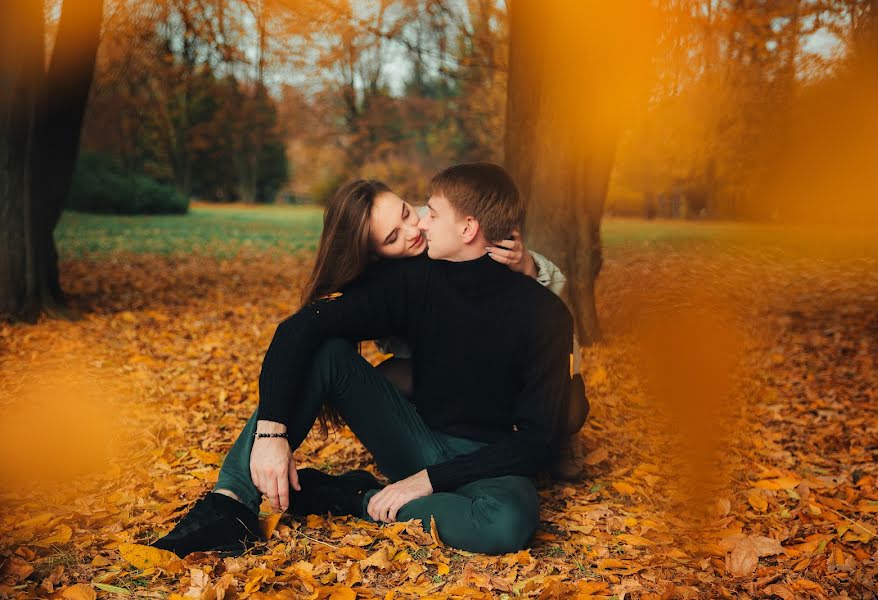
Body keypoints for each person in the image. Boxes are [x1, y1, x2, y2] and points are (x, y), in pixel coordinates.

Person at [152, 163, 576, 557]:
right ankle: (229, 504)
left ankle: (351, 497)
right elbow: (302, 328)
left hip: (488, 458)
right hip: (419, 437)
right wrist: (270, 434)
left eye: (428, 212)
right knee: (327, 351)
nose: (421, 225)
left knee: (505, 526)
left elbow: (536, 440)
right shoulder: (414, 279)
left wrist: (425, 482)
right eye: (398, 232)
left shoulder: (545, 313)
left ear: (468, 227)